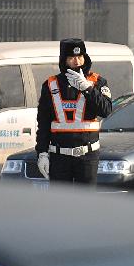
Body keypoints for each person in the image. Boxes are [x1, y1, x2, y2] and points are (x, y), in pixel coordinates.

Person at [35, 38, 113, 186]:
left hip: (87, 157)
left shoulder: (98, 82)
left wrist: (88, 89)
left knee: (85, 206)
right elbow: (43, 123)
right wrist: (42, 153)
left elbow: (106, 110)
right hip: (59, 158)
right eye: (71, 58)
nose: (77, 62)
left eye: (80, 57)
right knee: (61, 205)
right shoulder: (51, 84)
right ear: (63, 60)